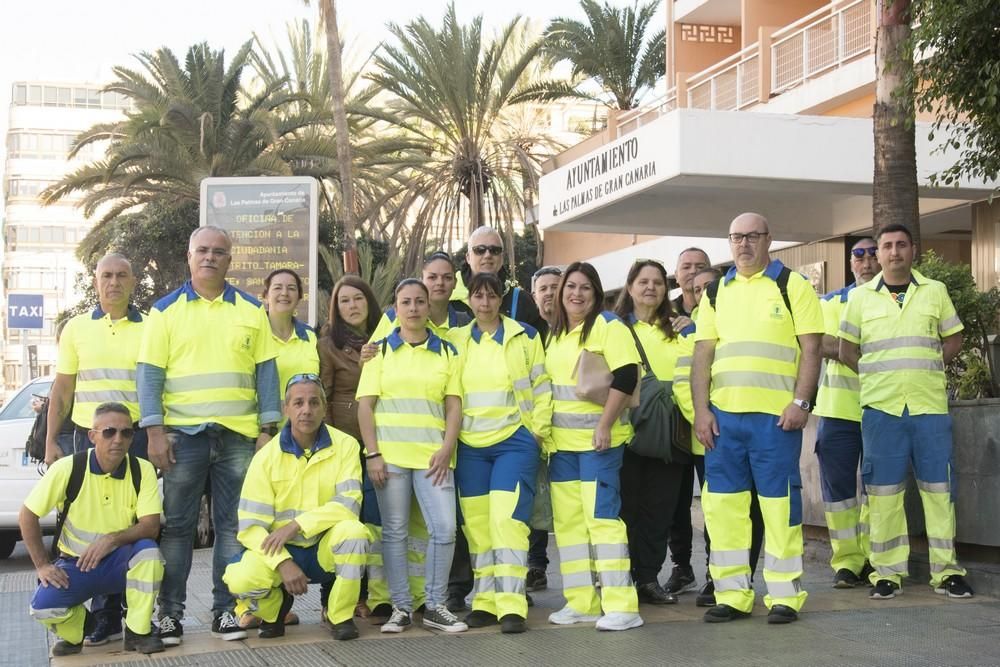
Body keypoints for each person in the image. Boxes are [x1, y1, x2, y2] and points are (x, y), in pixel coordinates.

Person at [137, 225, 281, 644]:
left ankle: (226, 612)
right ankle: (170, 616)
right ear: (189, 256)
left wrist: (266, 430)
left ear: (230, 261)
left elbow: (266, 373)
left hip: (239, 436)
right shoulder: (165, 311)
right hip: (183, 437)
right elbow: (150, 376)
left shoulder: (252, 309)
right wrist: (155, 432)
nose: (210, 258)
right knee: (178, 528)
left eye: (219, 252)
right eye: (203, 250)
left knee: (233, 527)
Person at [692, 212, 823, 625]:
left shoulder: (793, 285)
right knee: (724, 509)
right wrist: (701, 411)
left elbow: (812, 349)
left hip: (775, 421)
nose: (743, 244)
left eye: (752, 236)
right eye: (736, 237)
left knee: (779, 507)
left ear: (769, 239)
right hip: (724, 421)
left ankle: (785, 595)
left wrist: (801, 403)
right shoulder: (715, 292)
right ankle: (732, 594)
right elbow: (702, 356)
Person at [838, 223, 973, 600]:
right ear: (877, 254)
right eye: (887, 246)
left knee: (939, 490)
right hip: (881, 410)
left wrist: (928, 366)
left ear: (914, 250)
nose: (894, 252)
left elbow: (954, 339)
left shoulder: (935, 291)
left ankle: (946, 571)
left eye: (901, 245)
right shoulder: (860, 298)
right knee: (883, 496)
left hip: (929, 406)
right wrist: (878, 375)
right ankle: (887, 573)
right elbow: (847, 350)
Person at [42, 253, 149, 646]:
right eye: (107, 275)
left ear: (133, 281)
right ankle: (92, 615)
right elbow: (63, 388)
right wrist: (52, 439)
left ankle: (126, 613)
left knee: (128, 526)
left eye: (122, 275)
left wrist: (156, 435)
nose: (114, 282)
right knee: (85, 525)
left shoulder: (152, 327)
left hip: (133, 437)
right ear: (96, 281)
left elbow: (157, 387)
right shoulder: (75, 329)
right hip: (87, 438)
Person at [356, 279, 468, 634]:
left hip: (433, 458)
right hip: (390, 459)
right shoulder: (380, 352)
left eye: (420, 301)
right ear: (396, 308)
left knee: (445, 530)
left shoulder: (447, 352)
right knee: (394, 533)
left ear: (428, 307)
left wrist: (447, 447)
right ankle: (401, 608)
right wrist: (372, 454)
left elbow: (454, 406)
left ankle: (435, 605)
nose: (415, 308)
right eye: (407, 302)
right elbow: (365, 408)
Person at [223, 375, 369, 640]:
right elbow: (250, 527)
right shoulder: (266, 457)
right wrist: (282, 563)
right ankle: (273, 611)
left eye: (314, 403)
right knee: (240, 578)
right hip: (282, 551)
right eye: (298, 403)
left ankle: (340, 615)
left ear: (324, 409)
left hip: (324, 546)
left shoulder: (346, 445)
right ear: (285, 409)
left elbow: (348, 505)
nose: (306, 410)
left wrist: (296, 525)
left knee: (355, 534)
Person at [545, 262, 643, 632]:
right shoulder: (555, 333)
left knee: (602, 522)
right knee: (569, 527)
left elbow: (627, 375)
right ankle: (581, 602)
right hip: (562, 447)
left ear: (596, 293)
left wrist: (605, 424)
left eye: (585, 287)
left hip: (598, 445)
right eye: (571, 286)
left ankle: (622, 606)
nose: (577, 294)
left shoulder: (608, 326)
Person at [452, 272, 552, 634]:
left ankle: (511, 605)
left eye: (491, 295)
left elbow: (542, 386)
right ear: (469, 301)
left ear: (501, 298)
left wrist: (536, 434)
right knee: (478, 529)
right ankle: (485, 602)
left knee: (507, 522)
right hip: (471, 448)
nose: (484, 302)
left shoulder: (524, 335)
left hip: (514, 442)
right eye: (478, 296)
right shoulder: (455, 339)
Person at [22, 402, 164, 657]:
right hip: (75, 567)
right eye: (109, 432)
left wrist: (111, 540)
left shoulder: (142, 470)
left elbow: (150, 526)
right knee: (41, 608)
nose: (118, 439)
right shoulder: (67, 468)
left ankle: (138, 632)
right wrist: (42, 565)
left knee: (149, 554)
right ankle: (80, 629)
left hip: (119, 562)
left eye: (127, 432)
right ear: (92, 435)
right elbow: (28, 515)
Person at [673, 268, 766, 608]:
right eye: (695, 289)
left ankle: (742, 577)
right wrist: (704, 419)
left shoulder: (743, 322)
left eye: (706, 287)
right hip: (708, 438)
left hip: (748, 435)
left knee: (749, 511)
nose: (701, 293)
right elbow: (683, 382)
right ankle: (718, 578)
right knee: (716, 514)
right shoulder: (691, 334)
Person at [613, 260, 688, 606]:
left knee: (660, 510)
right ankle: (622, 578)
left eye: (658, 282)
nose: (650, 288)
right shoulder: (613, 328)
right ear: (629, 287)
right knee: (625, 509)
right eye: (643, 281)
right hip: (625, 433)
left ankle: (648, 578)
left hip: (668, 433)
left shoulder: (680, 329)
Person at [814, 238, 880, 587]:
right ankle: (846, 562)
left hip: (880, 409)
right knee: (838, 493)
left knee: (877, 490)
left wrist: (844, 347)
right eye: (859, 254)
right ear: (850, 262)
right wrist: (858, 349)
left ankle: (873, 558)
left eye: (873, 254)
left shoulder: (891, 300)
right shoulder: (832, 300)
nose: (867, 260)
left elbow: (835, 346)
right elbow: (820, 344)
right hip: (838, 411)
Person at [525, 265, 563, 593]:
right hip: (535, 431)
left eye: (556, 286)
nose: (550, 292)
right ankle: (536, 565)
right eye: (544, 288)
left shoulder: (576, 328)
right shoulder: (526, 333)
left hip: (569, 432)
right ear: (534, 294)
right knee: (535, 501)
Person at [263, 269, 320, 405]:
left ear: (299, 296)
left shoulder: (310, 335)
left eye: (291, 288)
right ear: (266, 295)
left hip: (303, 423)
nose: (284, 293)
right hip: (263, 423)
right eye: (277, 288)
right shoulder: (255, 333)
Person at [672, 247, 711, 319]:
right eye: (686, 267)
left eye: (700, 267)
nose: (693, 271)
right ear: (676, 276)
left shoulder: (722, 304)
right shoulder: (667, 311)